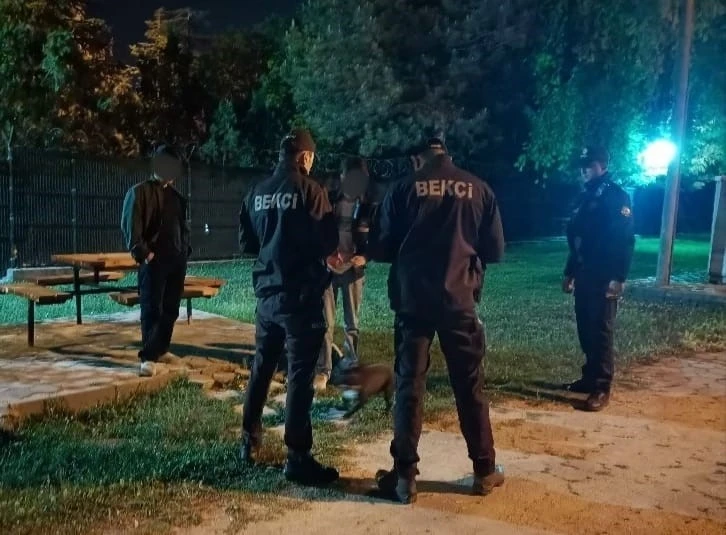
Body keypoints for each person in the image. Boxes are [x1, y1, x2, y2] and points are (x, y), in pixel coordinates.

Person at [368, 135, 506, 504]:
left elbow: (380, 247)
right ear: (446, 154)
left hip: (413, 303)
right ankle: (484, 469)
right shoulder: (478, 188)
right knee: (469, 384)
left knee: (409, 386)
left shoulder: (402, 189)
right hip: (459, 300)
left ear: (417, 159)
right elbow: (494, 249)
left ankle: (404, 477)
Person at [238, 128, 340, 486]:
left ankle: (249, 440)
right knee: (299, 376)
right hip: (301, 297)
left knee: (262, 368)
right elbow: (327, 242)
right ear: (305, 157)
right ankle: (297, 457)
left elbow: (247, 243)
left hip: (267, 296)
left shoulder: (256, 191)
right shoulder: (311, 191)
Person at [562, 146, 635, 411]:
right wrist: (570, 271)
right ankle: (590, 377)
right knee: (585, 326)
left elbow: (624, 239)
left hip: (604, 274)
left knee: (601, 329)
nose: (584, 170)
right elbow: (579, 239)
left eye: (589, 165)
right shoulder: (585, 196)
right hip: (585, 271)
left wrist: (618, 277)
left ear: (602, 165)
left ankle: (602, 387)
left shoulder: (616, 196)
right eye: (582, 165)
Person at [121, 145, 191, 378]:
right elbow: (131, 228)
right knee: (152, 308)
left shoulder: (177, 197)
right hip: (154, 262)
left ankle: (162, 349)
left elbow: (182, 227)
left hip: (176, 261)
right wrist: (145, 254)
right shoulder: (139, 192)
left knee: (171, 309)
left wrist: (185, 252)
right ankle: (149, 357)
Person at [315, 156, 376, 391]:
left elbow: (378, 238)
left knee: (352, 323)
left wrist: (365, 257)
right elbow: (318, 231)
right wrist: (325, 255)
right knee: (325, 322)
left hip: (353, 269)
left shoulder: (369, 207)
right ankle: (324, 370)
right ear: (342, 178)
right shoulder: (328, 201)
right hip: (329, 269)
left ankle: (350, 365)